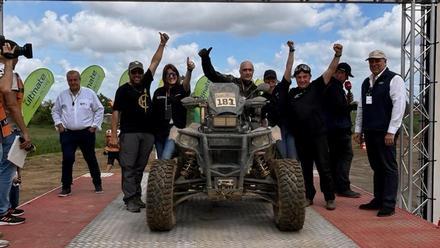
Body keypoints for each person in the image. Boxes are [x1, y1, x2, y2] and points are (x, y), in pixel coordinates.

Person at [110, 32, 169, 213]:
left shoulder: (145, 83)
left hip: (148, 132)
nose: (137, 74)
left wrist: (162, 44)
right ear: (129, 73)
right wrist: (114, 134)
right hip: (130, 133)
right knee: (128, 166)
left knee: (140, 167)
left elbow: (155, 62)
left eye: (139, 72)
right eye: (134, 72)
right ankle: (130, 199)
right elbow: (115, 112)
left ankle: (136, 196)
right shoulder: (123, 90)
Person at [287, 44, 344, 210]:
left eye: (305, 76)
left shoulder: (317, 87)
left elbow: (330, 70)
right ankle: (308, 196)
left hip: (318, 136)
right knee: (305, 170)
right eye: (299, 77)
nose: (302, 79)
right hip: (301, 138)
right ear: (296, 79)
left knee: (324, 168)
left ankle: (329, 198)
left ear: (310, 77)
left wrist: (337, 55)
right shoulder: (292, 93)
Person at [354, 50, 406, 217]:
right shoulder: (366, 82)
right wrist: (358, 130)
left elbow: (399, 106)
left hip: (385, 132)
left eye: (377, 61)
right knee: (377, 167)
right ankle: (378, 199)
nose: (374, 64)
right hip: (370, 131)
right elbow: (361, 107)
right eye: (371, 61)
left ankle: (389, 203)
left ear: (385, 61)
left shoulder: (394, 79)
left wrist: (392, 131)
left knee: (388, 167)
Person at [51, 70, 104, 197]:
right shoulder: (62, 95)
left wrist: (94, 126)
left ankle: (97, 184)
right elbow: (55, 111)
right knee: (68, 159)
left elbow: (99, 109)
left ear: (80, 80)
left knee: (90, 158)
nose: (73, 82)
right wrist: (59, 124)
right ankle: (66, 187)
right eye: (70, 80)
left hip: (86, 132)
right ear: (67, 81)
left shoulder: (89, 93)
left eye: (75, 80)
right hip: (68, 133)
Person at [0, 41, 30, 226]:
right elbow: (11, 103)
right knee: (7, 169)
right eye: (14, 53)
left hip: (5, 127)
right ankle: (3, 210)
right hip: (6, 128)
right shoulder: (6, 73)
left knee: (6, 169)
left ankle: (7, 205)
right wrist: (25, 132)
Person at [323, 62, 361, 198]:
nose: (344, 77)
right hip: (339, 129)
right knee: (345, 156)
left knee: (334, 158)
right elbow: (337, 109)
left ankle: (333, 186)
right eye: (342, 74)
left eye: (344, 75)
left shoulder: (332, 86)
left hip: (331, 129)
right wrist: (351, 106)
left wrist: (346, 101)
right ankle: (343, 187)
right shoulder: (334, 88)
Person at [152, 57, 194, 159]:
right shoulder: (158, 92)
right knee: (161, 162)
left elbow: (186, 84)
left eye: (174, 74)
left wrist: (189, 70)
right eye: (168, 74)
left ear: (177, 75)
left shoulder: (181, 89)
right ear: (164, 77)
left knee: (165, 158)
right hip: (159, 132)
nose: (171, 76)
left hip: (175, 130)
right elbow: (152, 111)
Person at [261, 41, 297, 159]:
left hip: (289, 127)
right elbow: (262, 119)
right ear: (264, 82)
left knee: (292, 158)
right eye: (268, 81)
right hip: (275, 130)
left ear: (276, 81)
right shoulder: (261, 98)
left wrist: (291, 50)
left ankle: (293, 177)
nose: (270, 83)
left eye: (273, 81)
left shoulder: (281, 88)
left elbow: (288, 68)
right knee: (282, 156)